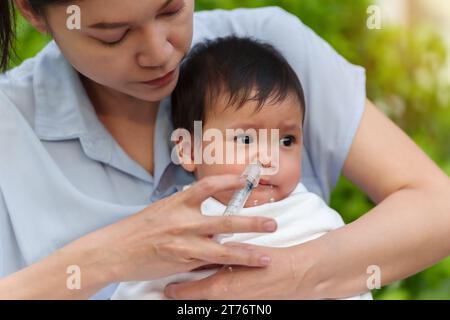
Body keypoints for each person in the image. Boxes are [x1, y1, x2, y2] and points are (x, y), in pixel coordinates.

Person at [0, 0, 448, 300]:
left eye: (171, 9)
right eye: (113, 35)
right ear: (33, 13)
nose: (159, 52)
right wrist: (108, 257)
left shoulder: (265, 55)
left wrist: (298, 272)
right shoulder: (10, 131)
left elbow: (437, 207)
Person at [111, 36, 372, 300]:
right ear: (188, 150)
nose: (268, 159)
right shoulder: (174, 225)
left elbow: (350, 286)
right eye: (246, 139)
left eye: (286, 140)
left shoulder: (314, 220)